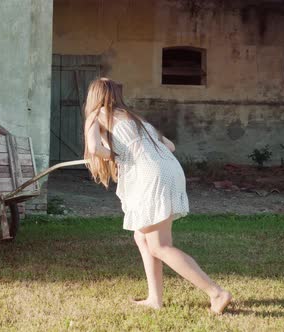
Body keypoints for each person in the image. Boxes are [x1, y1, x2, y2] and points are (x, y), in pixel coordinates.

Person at [83, 77, 232, 314]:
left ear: (94, 96)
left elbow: (93, 149)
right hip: (169, 169)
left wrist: (114, 154)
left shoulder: (97, 115)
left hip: (150, 174)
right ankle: (155, 298)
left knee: (160, 245)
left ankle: (217, 292)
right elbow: (170, 146)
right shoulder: (135, 118)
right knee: (142, 238)